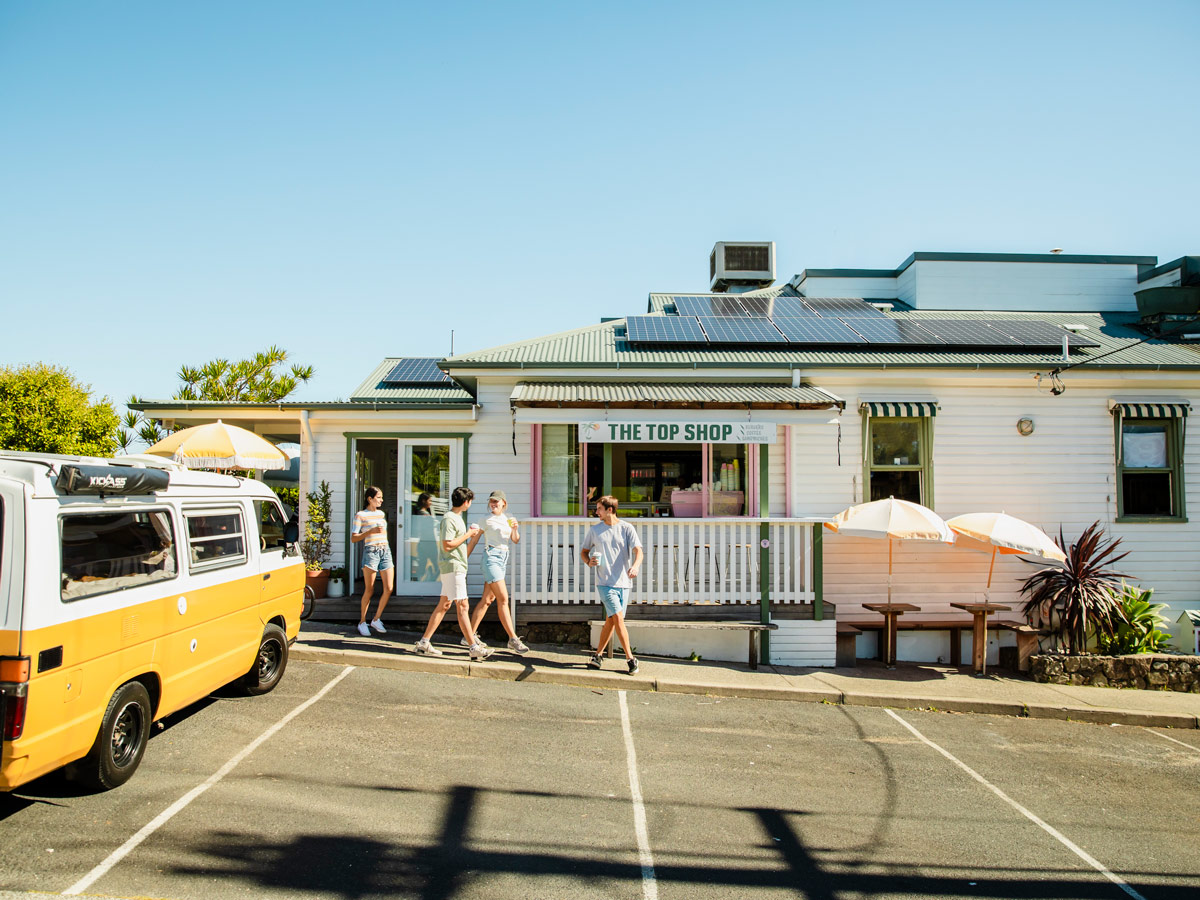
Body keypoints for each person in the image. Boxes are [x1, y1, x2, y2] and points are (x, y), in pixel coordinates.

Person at [414, 486, 493, 660]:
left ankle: (424, 642)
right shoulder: (449, 519)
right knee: (463, 606)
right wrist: (467, 535)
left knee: (444, 605)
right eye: (470, 501)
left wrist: (472, 536)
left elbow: (460, 548)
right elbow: (447, 544)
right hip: (452, 567)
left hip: (456, 565)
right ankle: (473, 646)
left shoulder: (456, 518)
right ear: (466, 502)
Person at [580, 495, 643, 674]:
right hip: (605, 582)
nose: (596, 512)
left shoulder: (626, 528)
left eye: (599, 508)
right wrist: (588, 561)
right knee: (618, 618)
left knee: (611, 620)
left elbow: (638, 551)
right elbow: (584, 552)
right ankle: (631, 658)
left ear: (610, 510)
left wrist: (636, 566)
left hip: (624, 582)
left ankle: (598, 656)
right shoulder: (595, 530)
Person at [465, 490, 529, 654]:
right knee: (503, 599)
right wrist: (462, 558)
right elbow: (474, 540)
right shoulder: (485, 520)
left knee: (487, 600)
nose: (493, 504)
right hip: (491, 558)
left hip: (503, 559)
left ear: (504, 504)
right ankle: (513, 639)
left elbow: (515, 540)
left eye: (497, 502)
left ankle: (468, 636)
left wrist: (515, 528)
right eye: (491, 502)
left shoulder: (509, 519)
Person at [352, 486, 393, 637]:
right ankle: (362, 621)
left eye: (382, 497)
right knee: (369, 590)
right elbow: (354, 538)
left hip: (385, 550)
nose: (381, 500)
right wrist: (370, 532)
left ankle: (376, 619)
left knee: (388, 588)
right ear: (370, 499)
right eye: (379, 497)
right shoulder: (360, 515)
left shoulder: (381, 514)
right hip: (371, 552)